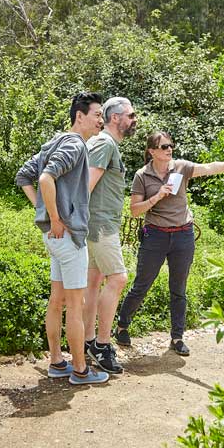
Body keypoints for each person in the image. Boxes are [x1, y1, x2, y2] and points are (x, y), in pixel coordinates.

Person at [115, 132, 224, 356]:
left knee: (178, 289)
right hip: (155, 235)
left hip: (183, 234)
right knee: (142, 285)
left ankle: (177, 337)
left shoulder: (181, 167)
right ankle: (122, 325)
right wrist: (157, 197)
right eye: (164, 146)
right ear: (152, 151)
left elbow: (209, 168)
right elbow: (134, 211)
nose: (169, 149)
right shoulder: (142, 175)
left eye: (171, 145)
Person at [16, 92, 109, 385]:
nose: (100, 121)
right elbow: (44, 179)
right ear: (79, 116)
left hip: (55, 239)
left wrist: (44, 211)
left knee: (57, 301)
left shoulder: (53, 142)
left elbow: (23, 176)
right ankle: (81, 369)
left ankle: (57, 362)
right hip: (66, 237)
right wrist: (55, 218)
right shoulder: (74, 145)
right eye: (96, 115)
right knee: (75, 304)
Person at [83, 97, 137, 375]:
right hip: (100, 225)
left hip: (97, 224)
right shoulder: (104, 143)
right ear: (115, 118)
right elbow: (87, 185)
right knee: (118, 278)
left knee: (94, 281)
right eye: (130, 115)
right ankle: (102, 345)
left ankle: (87, 340)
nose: (134, 120)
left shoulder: (104, 144)